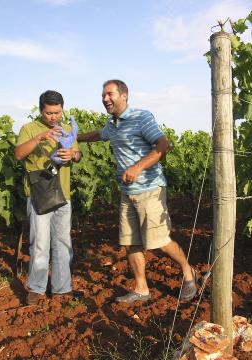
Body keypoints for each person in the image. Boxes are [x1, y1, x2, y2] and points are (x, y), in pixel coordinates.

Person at [77, 79, 197, 303]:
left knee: (160, 240)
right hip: (126, 192)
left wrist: (138, 166)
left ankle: (189, 272)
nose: (105, 99)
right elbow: (98, 135)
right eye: (103, 95)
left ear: (124, 95)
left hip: (149, 189)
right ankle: (141, 289)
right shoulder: (112, 124)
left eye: (110, 94)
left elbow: (163, 145)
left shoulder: (141, 117)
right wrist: (73, 137)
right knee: (130, 242)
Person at [15, 90, 82, 305]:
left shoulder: (68, 129)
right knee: (40, 243)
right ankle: (36, 288)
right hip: (39, 195)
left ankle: (62, 288)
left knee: (63, 242)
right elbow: (18, 154)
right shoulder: (29, 129)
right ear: (41, 110)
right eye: (49, 113)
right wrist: (39, 137)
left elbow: (78, 155)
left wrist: (72, 154)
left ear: (62, 108)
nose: (53, 117)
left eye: (57, 112)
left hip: (63, 194)